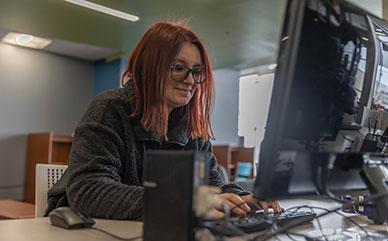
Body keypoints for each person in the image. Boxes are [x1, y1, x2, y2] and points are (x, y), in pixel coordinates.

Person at [45, 20, 282, 220]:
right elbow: (89, 191)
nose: (190, 80)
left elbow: (213, 187)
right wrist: (182, 203)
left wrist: (240, 199)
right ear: (149, 68)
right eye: (179, 68)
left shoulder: (192, 129)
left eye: (197, 71)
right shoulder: (109, 109)